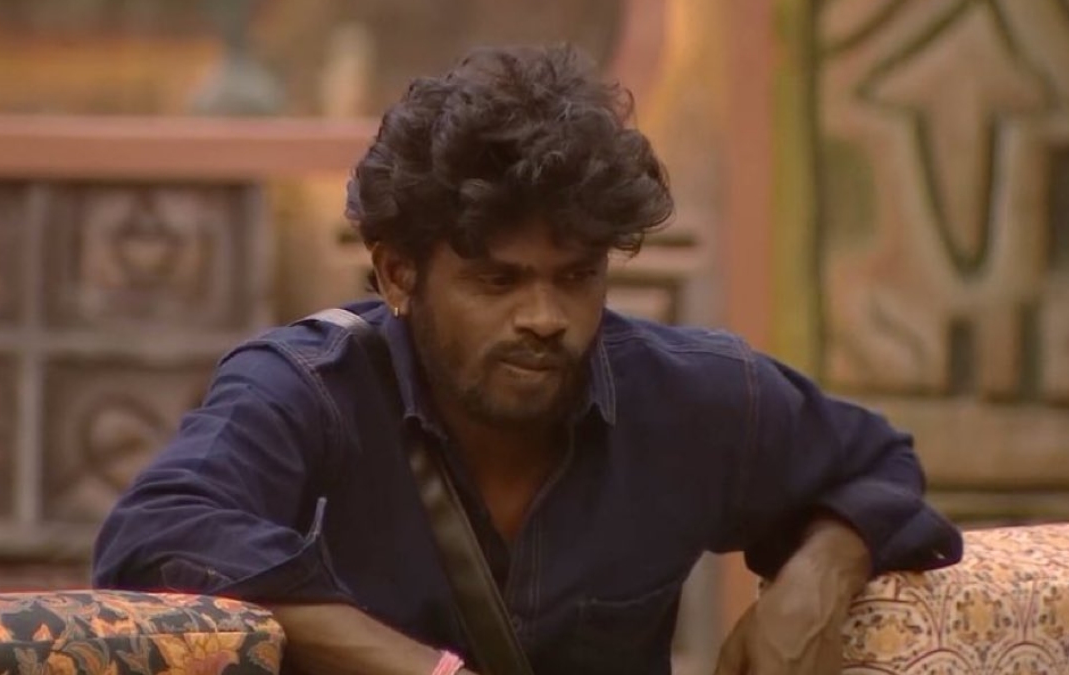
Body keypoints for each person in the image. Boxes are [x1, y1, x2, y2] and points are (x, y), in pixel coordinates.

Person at [92, 44, 962, 674]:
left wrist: (820, 573)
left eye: (576, 276)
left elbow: (879, 464)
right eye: (497, 280)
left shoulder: (688, 393)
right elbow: (157, 534)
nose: (545, 318)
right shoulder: (309, 389)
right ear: (398, 274)